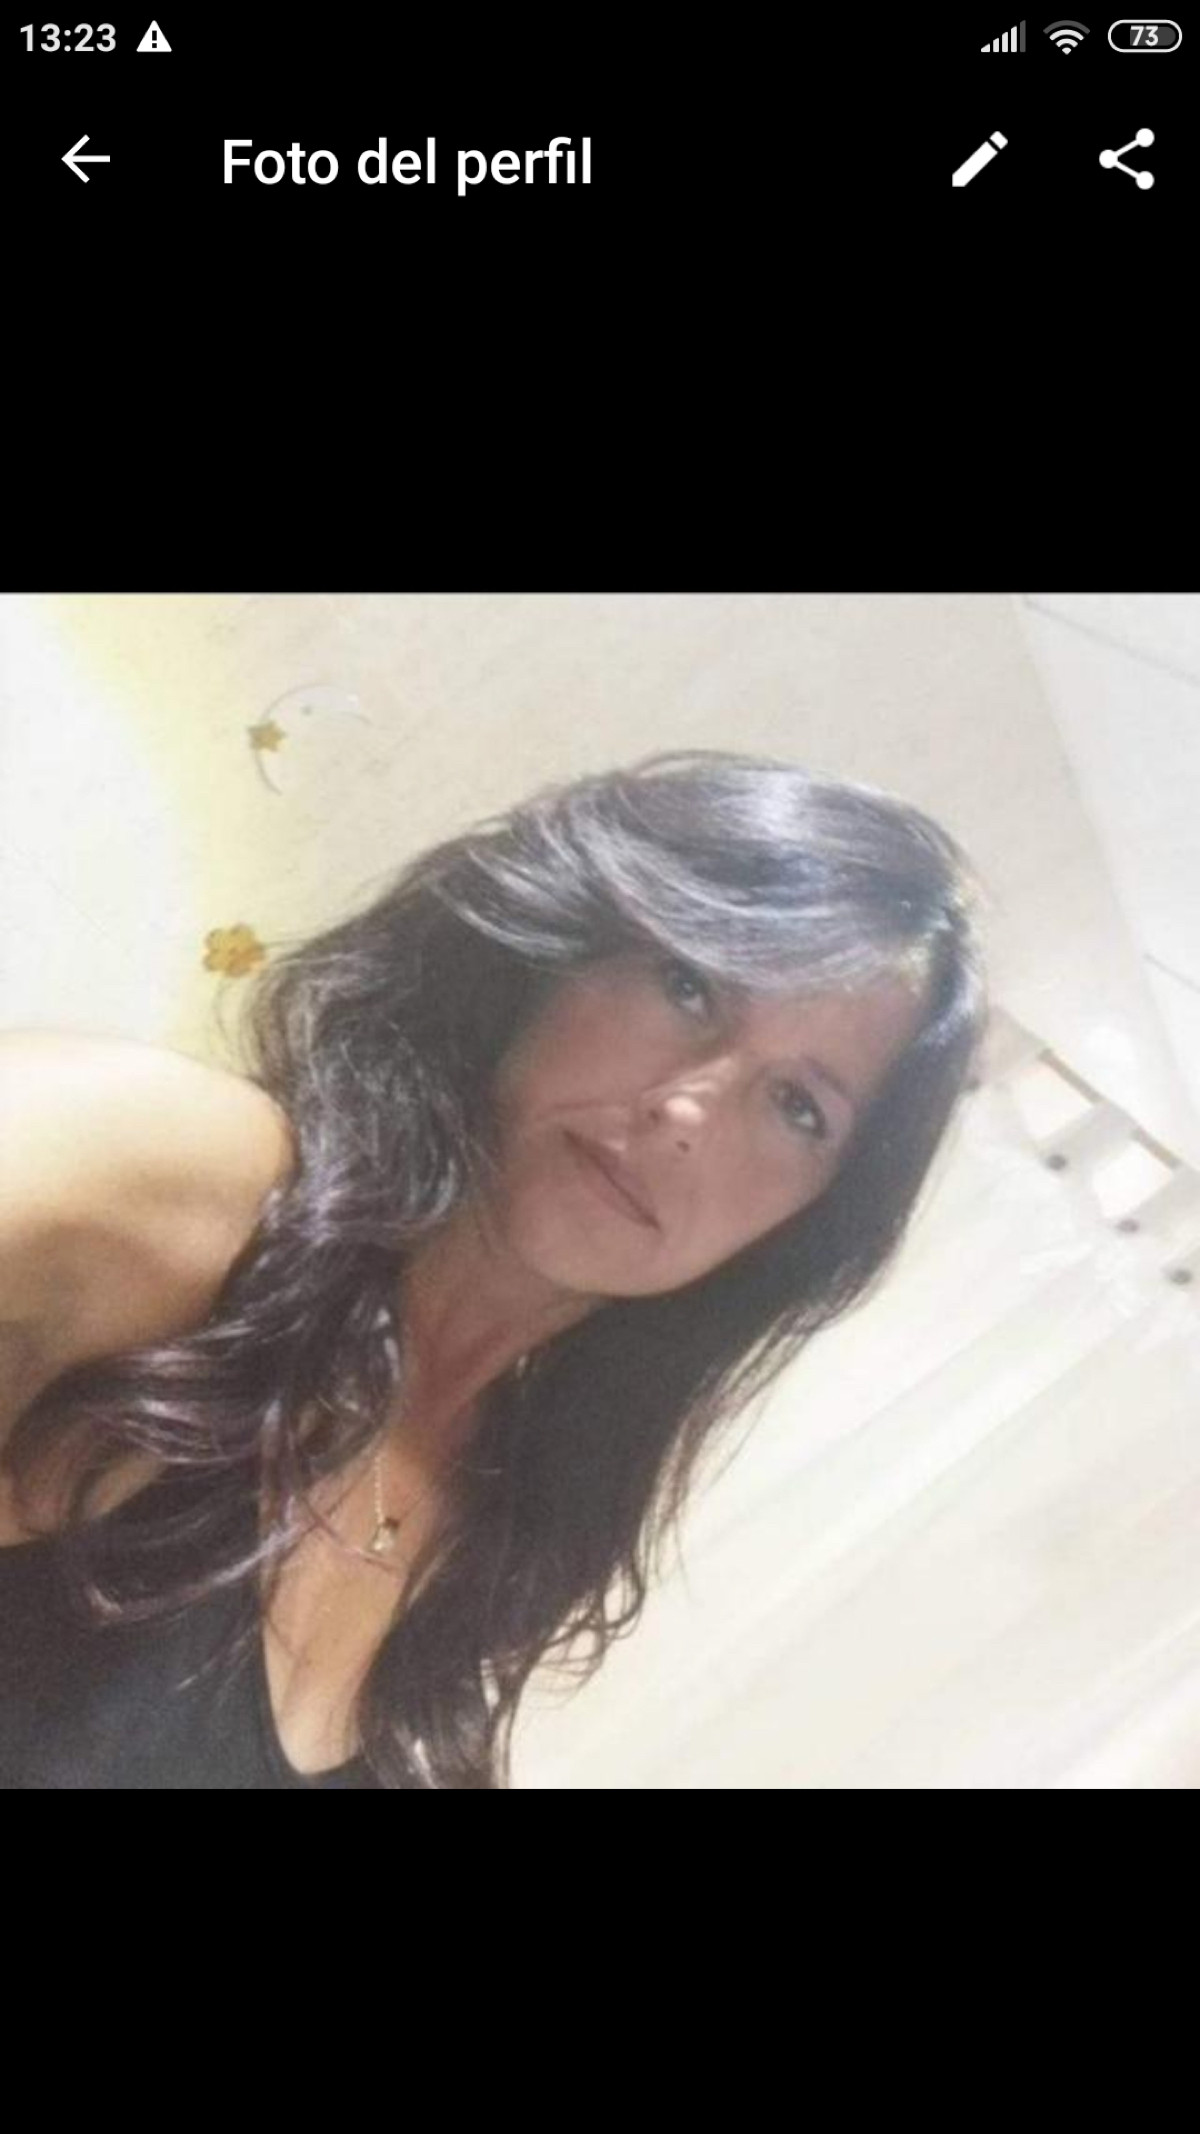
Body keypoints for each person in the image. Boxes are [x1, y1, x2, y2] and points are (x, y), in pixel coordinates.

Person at [0, 749, 988, 1789]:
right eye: (688, 984)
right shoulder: (182, 1179)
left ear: (804, 1222)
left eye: (798, 1106)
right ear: (560, 946)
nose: (688, 1112)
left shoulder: (497, 1557)